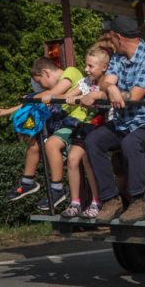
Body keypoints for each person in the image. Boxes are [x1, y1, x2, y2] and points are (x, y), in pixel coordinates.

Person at [80, 15, 145, 223]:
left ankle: (139, 201)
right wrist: (110, 89)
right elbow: (104, 84)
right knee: (93, 140)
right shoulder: (119, 57)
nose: (109, 41)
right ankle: (111, 199)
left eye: (110, 37)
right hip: (124, 121)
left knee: (131, 142)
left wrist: (105, 93)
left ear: (118, 37)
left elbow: (136, 97)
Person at [0, 57, 85, 211]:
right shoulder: (51, 90)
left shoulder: (71, 71)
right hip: (64, 123)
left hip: (76, 123)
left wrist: (33, 98)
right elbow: (42, 97)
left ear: (46, 72)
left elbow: (54, 93)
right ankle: (28, 181)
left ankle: (57, 187)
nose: (41, 87)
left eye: (40, 82)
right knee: (35, 142)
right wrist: (8, 111)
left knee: (51, 144)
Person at [58, 45, 114, 218]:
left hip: (106, 125)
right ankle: (76, 202)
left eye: (90, 66)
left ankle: (97, 201)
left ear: (104, 67)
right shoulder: (87, 82)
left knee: (88, 157)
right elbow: (70, 94)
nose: (86, 69)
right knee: (73, 158)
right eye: (86, 65)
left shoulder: (109, 81)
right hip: (90, 125)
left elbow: (101, 96)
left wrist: (80, 98)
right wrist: (54, 97)